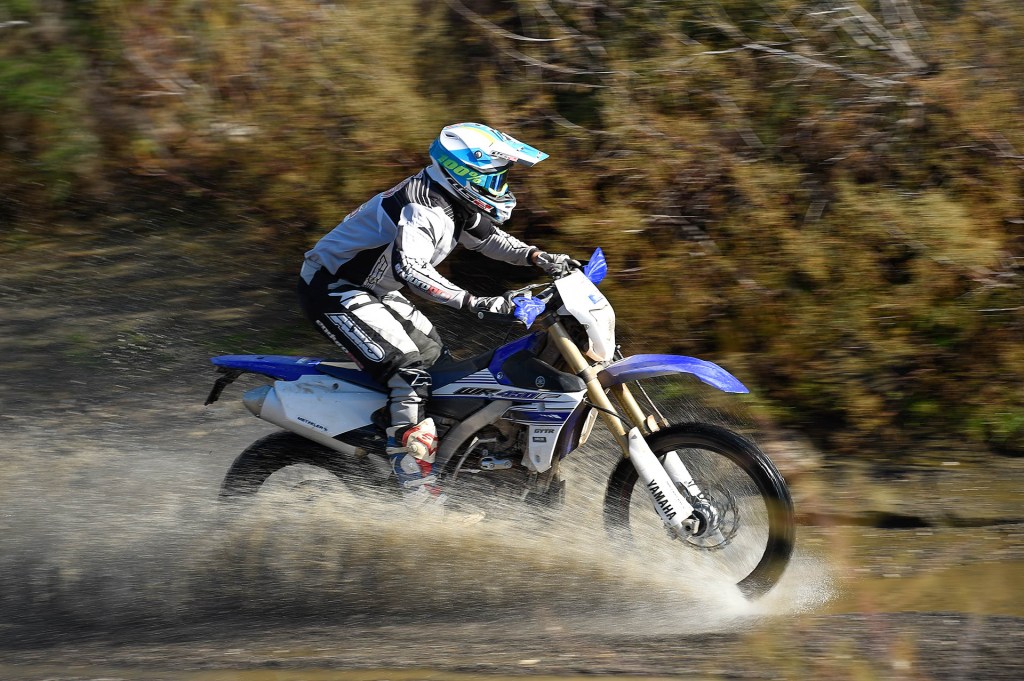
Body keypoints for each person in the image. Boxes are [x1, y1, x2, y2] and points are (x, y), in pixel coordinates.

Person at [297, 123, 578, 504]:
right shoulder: (423, 206)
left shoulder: (451, 197)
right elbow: (412, 270)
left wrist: (538, 257)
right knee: (408, 372)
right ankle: (413, 486)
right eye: (494, 177)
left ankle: (437, 455)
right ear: (463, 170)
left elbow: (490, 239)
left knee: (440, 370)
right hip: (333, 288)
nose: (500, 185)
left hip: (375, 290)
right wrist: (476, 303)